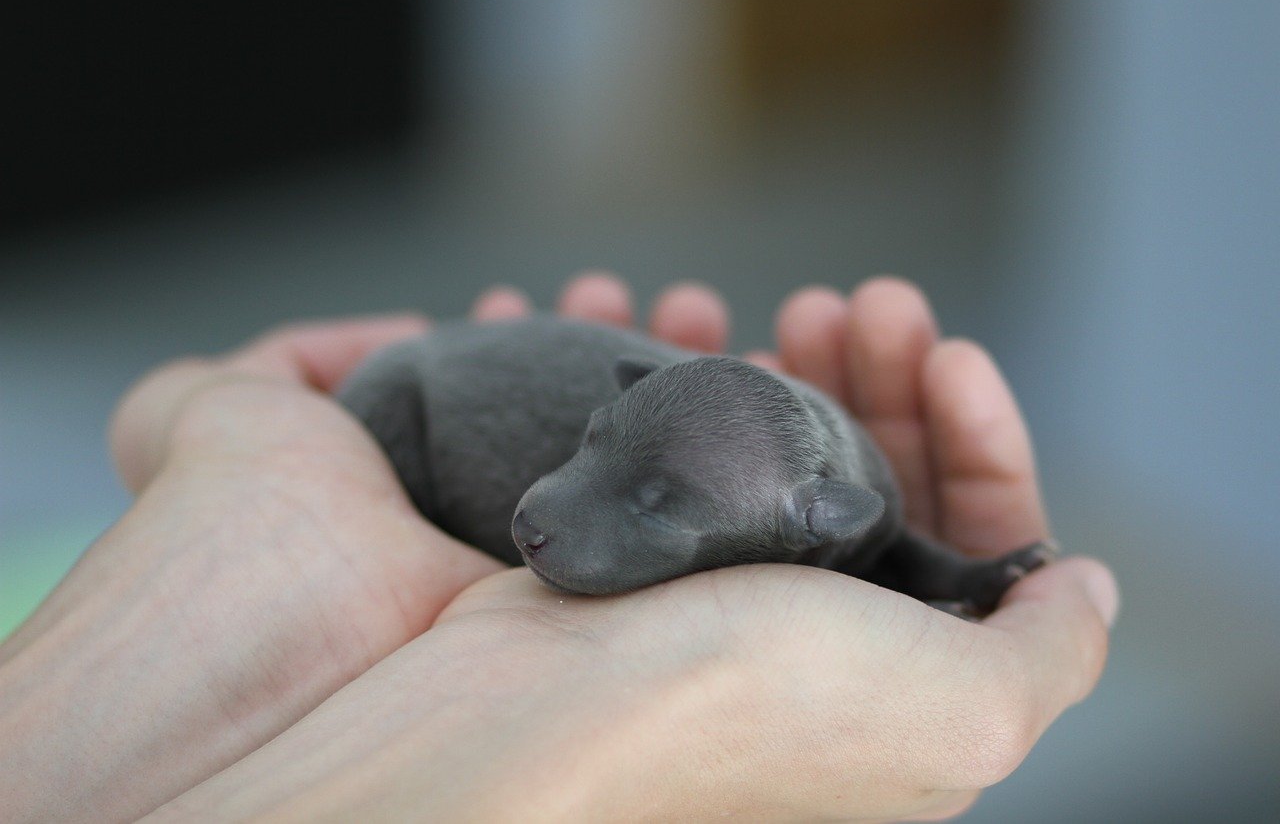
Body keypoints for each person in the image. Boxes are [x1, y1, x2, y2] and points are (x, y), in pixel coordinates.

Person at [0, 274, 1117, 822]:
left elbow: (897, 547)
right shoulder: (735, 470)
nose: (548, 508)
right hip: (421, 414)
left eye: (652, 503)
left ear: (821, 522)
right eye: (592, 446)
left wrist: (964, 581)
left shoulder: (844, 497)